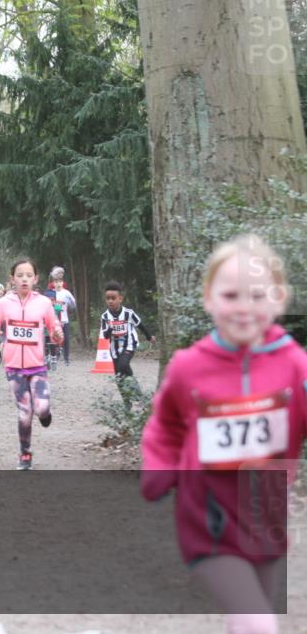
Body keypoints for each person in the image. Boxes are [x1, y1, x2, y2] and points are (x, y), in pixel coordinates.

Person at [141, 234, 306, 634]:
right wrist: (159, 470)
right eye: (231, 295)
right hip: (207, 518)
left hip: (266, 514)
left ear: (279, 298)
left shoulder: (294, 367)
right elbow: (165, 426)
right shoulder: (188, 368)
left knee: (252, 616)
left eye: (257, 296)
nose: (244, 308)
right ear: (209, 298)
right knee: (258, 624)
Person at [0, 258, 63, 470]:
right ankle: (25, 453)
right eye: (20, 275)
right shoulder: (3, 304)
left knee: (41, 407)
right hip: (14, 368)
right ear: (12, 279)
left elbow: (56, 330)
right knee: (25, 411)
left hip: (37, 366)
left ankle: (45, 414)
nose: (24, 279)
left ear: (36, 278)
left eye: (29, 275)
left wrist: (57, 334)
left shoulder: (44, 303)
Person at [100, 281, 155, 406]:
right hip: (114, 349)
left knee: (123, 365)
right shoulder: (104, 316)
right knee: (119, 376)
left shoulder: (128, 313)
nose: (110, 301)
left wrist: (149, 337)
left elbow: (140, 325)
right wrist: (109, 329)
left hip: (129, 345)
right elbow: (105, 336)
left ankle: (137, 392)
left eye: (113, 298)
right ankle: (127, 403)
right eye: (108, 298)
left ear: (120, 298)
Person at [51, 271, 76, 365]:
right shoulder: (51, 293)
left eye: (60, 282)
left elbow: (73, 303)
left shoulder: (66, 293)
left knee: (66, 340)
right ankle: (55, 356)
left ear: (62, 283)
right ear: (53, 283)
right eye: (56, 282)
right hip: (55, 321)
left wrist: (69, 305)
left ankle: (66, 359)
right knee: (55, 339)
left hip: (65, 320)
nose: (58, 284)